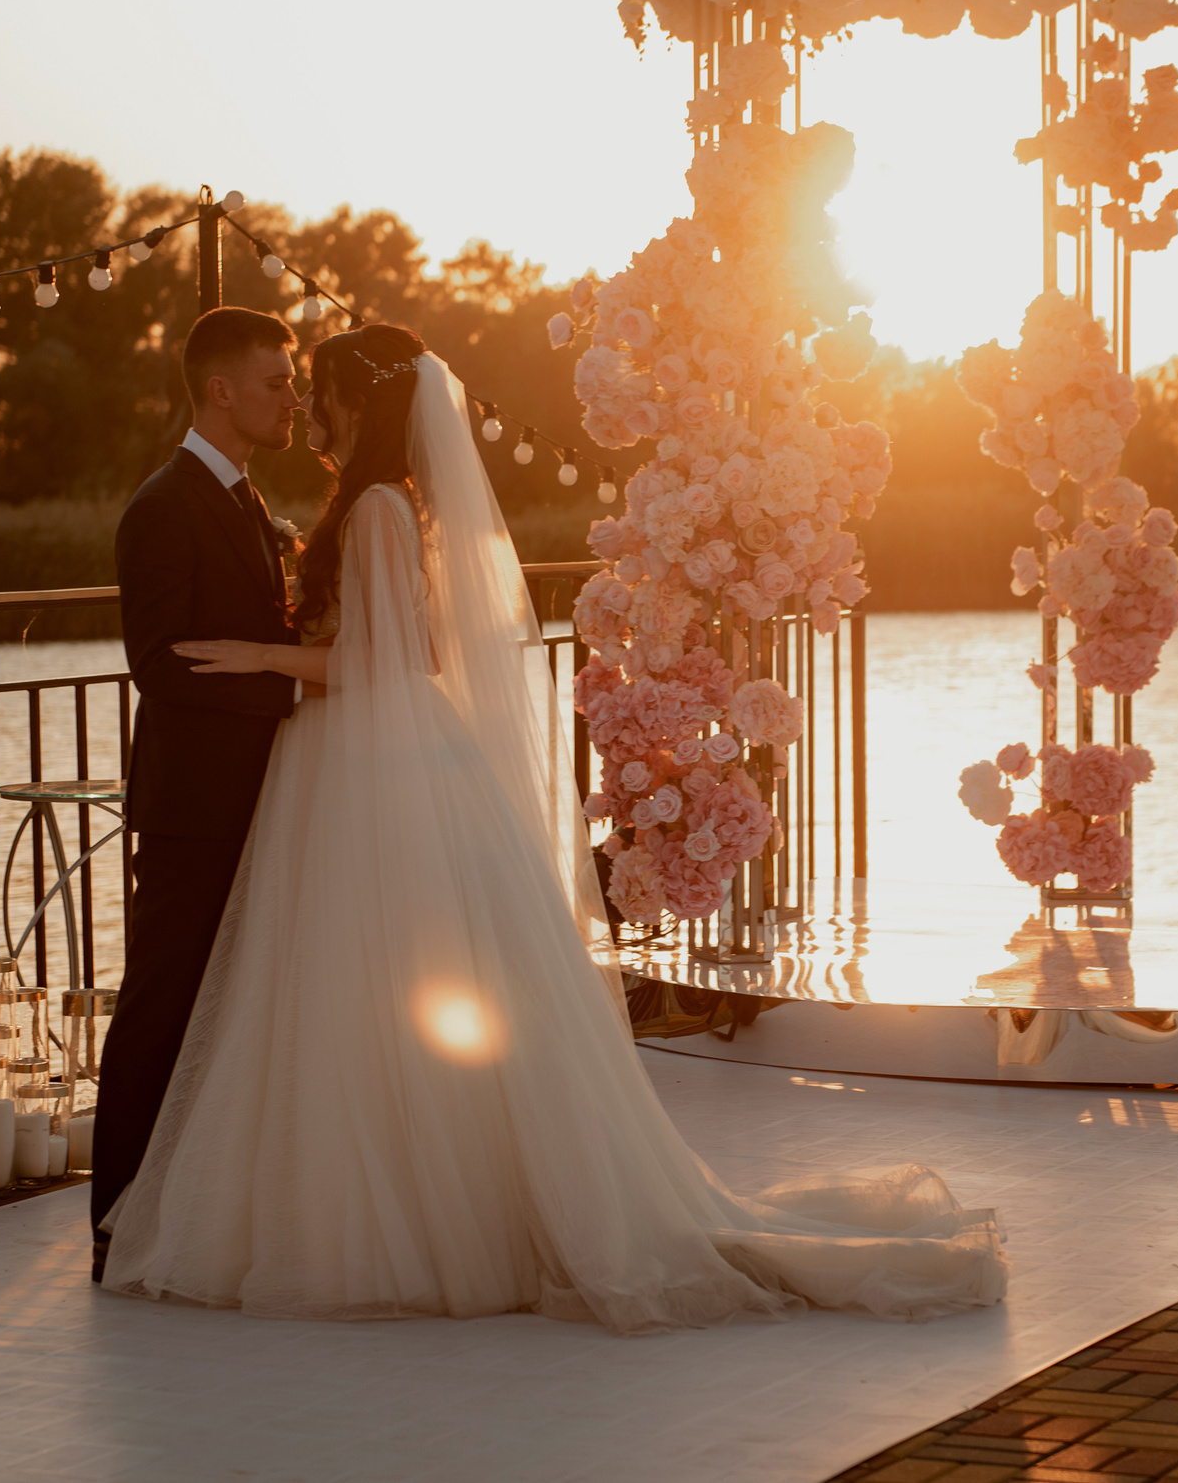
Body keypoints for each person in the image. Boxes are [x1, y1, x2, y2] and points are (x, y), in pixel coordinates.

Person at [102, 323, 1006, 1333]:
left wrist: (261, 657)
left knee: (350, 984)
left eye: (311, 389)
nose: (303, 408)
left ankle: (395, 1210)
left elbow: (388, 658)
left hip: (359, 758)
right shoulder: (385, 503)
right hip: (349, 763)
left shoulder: (375, 510)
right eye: (284, 386)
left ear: (358, 403)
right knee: (356, 988)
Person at [94, 307, 305, 1282]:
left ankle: (196, 1200)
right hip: (190, 808)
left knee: (232, 1005)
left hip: (257, 795)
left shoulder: (250, 502)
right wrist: (293, 683)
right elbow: (161, 662)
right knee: (162, 1001)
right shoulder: (163, 504)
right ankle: (116, 1215)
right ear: (220, 390)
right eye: (275, 380)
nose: (289, 397)